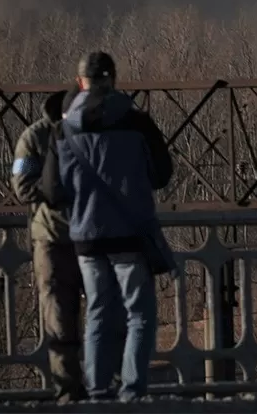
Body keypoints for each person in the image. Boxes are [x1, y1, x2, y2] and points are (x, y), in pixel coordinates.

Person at [40, 51, 173, 402]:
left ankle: (98, 395)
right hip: (130, 234)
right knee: (139, 315)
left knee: (98, 313)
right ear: (113, 79)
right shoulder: (137, 121)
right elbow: (162, 175)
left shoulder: (62, 128)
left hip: (86, 237)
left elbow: (52, 192)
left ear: (80, 81)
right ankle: (132, 393)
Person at [10, 88, 86, 404]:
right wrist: (58, 188)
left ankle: (100, 390)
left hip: (89, 235)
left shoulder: (89, 131)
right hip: (54, 239)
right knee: (59, 322)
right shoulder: (36, 137)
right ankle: (69, 393)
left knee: (102, 318)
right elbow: (23, 187)